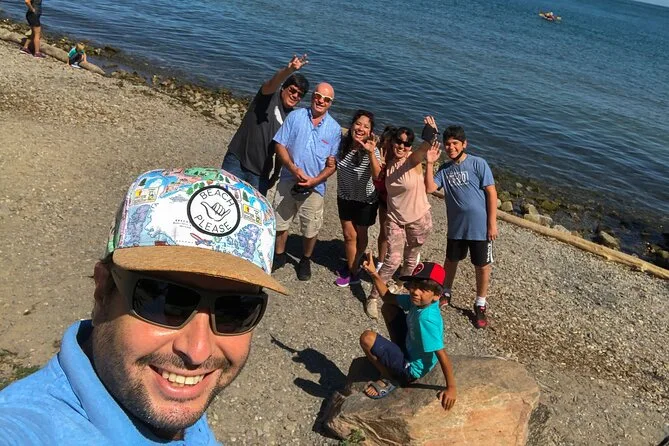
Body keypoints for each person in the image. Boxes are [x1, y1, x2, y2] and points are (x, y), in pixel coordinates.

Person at [0, 168, 288, 443]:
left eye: (235, 311)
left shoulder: (161, 391)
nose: (198, 352)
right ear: (103, 291)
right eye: (165, 301)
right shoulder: (23, 428)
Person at [423, 122, 498, 329]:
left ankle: (480, 303)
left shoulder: (478, 163)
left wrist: (492, 223)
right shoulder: (444, 169)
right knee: (451, 260)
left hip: (480, 228)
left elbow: (491, 192)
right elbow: (429, 188)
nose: (451, 147)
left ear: (464, 144)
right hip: (456, 227)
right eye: (448, 144)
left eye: (455, 143)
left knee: (482, 266)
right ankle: (446, 291)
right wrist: (429, 163)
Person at [358, 253, 457, 409]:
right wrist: (374, 273)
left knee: (367, 338)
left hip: (412, 369)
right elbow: (388, 298)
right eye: (414, 285)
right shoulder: (419, 302)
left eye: (423, 289)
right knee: (389, 308)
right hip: (409, 346)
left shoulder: (427, 319)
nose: (415, 291)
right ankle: (396, 355)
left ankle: (389, 377)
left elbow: (441, 353)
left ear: (437, 295)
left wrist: (451, 388)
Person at [271, 82, 342, 281]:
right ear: (312, 96)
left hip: (315, 187)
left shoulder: (335, 129)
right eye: (318, 96)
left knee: (311, 227)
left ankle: (305, 259)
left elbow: (332, 164)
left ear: (331, 103)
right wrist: (292, 168)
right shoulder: (295, 117)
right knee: (281, 220)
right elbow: (280, 144)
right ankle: (279, 254)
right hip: (288, 178)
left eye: (326, 99)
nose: (321, 101)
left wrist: (314, 181)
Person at [365, 126, 432, 319]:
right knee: (393, 260)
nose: (402, 146)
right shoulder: (389, 162)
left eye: (407, 143)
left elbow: (424, 148)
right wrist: (371, 153)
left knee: (411, 258)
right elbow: (376, 176)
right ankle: (373, 297)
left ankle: (400, 284)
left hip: (419, 219)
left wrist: (430, 134)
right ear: (393, 141)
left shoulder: (412, 160)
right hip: (395, 218)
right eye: (399, 141)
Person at [222, 54, 310, 196]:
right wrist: (289, 70)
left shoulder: (292, 118)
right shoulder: (268, 97)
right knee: (225, 198)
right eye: (292, 90)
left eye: (300, 94)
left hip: (261, 173)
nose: (295, 96)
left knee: (253, 208)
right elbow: (273, 82)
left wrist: (275, 175)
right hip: (237, 160)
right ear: (283, 88)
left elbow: (283, 148)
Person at [334, 110, 382, 287]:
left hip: (366, 200)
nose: (361, 128)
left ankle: (355, 262)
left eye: (366, 126)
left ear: (370, 132)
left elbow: (377, 176)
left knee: (361, 234)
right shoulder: (342, 144)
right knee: (349, 235)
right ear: (352, 125)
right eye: (358, 124)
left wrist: (371, 153)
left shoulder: (372, 150)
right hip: (345, 195)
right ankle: (353, 270)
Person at [372, 125, 396, 271]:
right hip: (384, 200)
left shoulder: (400, 162)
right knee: (385, 231)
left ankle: (402, 262)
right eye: (384, 146)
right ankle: (381, 262)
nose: (386, 151)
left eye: (389, 148)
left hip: (399, 203)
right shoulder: (379, 160)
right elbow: (377, 181)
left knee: (399, 234)